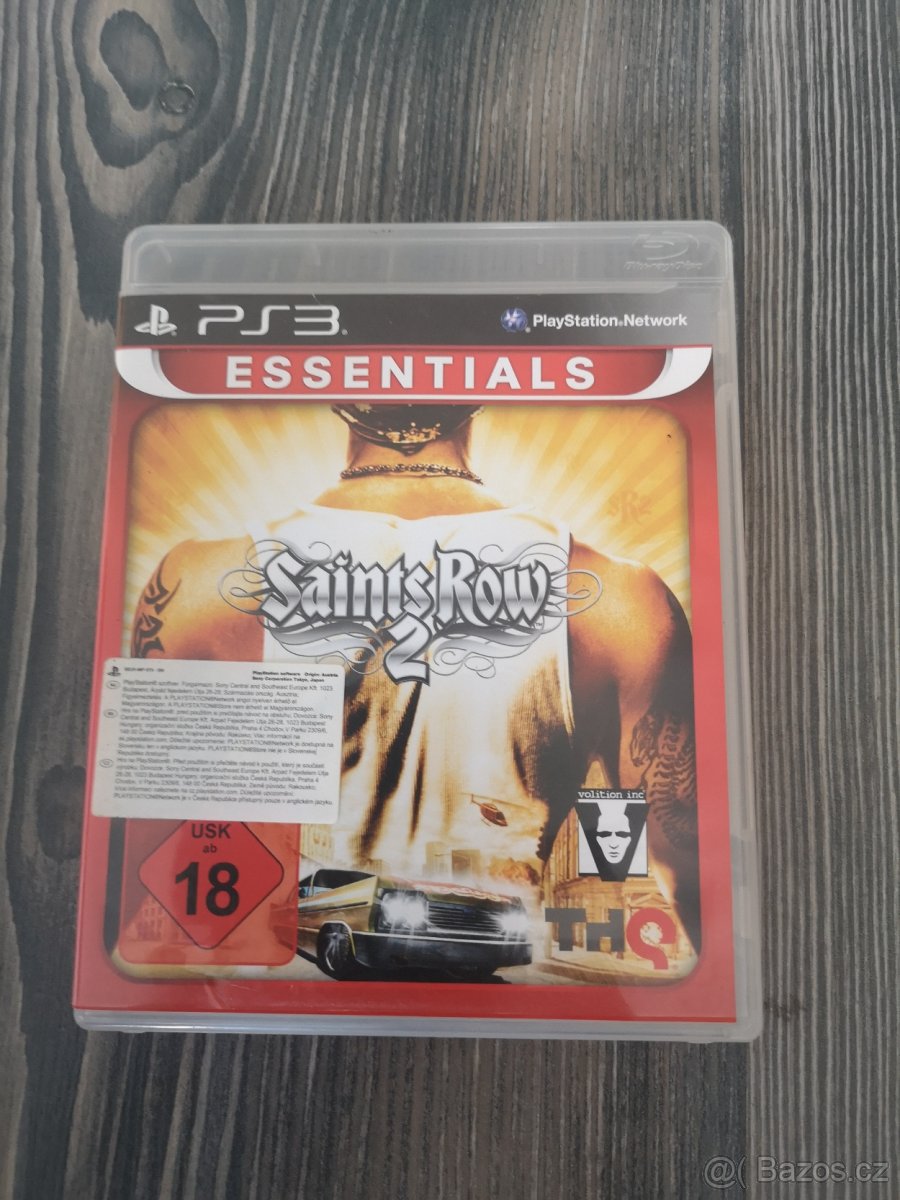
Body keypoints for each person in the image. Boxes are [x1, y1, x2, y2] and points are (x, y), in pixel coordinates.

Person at [131, 404, 700, 951]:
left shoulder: (196, 587)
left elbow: (132, 873)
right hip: (491, 970)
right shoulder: (621, 604)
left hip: (284, 976)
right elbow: (686, 885)